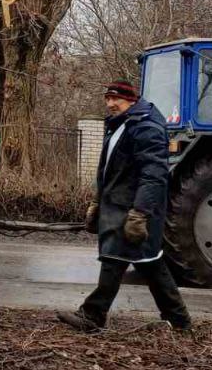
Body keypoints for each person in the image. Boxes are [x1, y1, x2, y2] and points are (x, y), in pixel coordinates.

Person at [57, 80, 192, 333]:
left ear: (131, 99)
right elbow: (108, 170)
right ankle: (180, 321)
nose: (110, 104)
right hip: (119, 206)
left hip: (132, 210)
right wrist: (97, 202)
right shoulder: (120, 124)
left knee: (114, 258)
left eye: (115, 99)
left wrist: (139, 213)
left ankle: (92, 315)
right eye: (107, 99)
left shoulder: (146, 128)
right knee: (150, 264)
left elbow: (154, 175)